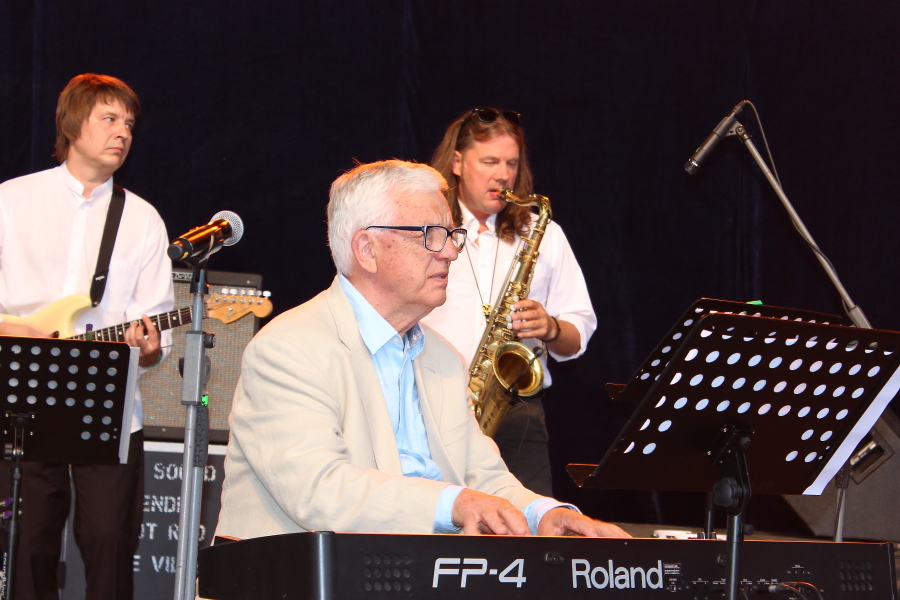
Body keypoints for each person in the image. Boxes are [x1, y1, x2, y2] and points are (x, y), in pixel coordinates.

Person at [215, 160, 624, 538]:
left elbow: (483, 477)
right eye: (431, 235)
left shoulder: (444, 358)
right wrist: (454, 504)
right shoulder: (289, 348)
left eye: (452, 235)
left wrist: (544, 514)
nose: (450, 252)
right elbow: (319, 490)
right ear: (367, 250)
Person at [0, 74, 174, 600]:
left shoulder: (142, 219)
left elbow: (154, 323)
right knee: (27, 543)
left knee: (109, 541)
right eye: (110, 119)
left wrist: (149, 349)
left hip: (109, 405)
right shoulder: (11, 200)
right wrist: (23, 334)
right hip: (23, 399)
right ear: (73, 125)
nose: (123, 132)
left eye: (130, 124)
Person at [422, 108, 597, 496]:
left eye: (511, 163)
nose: (503, 175)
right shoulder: (428, 229)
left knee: (528, 524)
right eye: (489, 162)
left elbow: (577, 336)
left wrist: (550, 327)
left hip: (517, 412)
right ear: (456, 163)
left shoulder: (544, 233)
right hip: (434, 406)